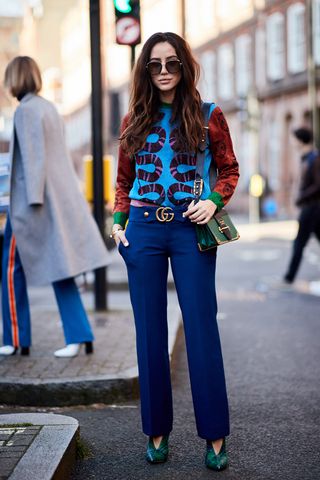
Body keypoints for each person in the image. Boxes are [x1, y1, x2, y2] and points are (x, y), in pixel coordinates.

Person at [111, 32, 239, 471]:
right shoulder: (134, 119)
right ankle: (156, 430)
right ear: (145, 71)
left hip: (191, 227)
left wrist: (215, 201)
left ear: (184, 66)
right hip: (143, 232)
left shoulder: (208, 115)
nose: (164, 72)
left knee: (201, 328)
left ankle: (215, 435)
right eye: (155, 65)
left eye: (171, 63)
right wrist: (117, 225)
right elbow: (123, 181)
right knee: (149, 333)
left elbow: (229, 168)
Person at [0, 56, 109, 358]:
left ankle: (16, 338)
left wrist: (31, 203)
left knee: (9, 271)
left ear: (15, 79)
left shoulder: (25, 111)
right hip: (55, 201)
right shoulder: (48, 107)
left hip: (30, 206)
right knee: (61, 270)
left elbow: (33, 159)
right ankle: (80, 335)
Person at [284, 127, 320, 284]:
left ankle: (289, 278)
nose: (291, 142)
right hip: (311, 207)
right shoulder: (307, 158)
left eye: (293, 139)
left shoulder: (314, 158)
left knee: (299, 242)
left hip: (312, 207)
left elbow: (319, 185)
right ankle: (289, 277)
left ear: (300, 140)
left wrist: (301, 198)